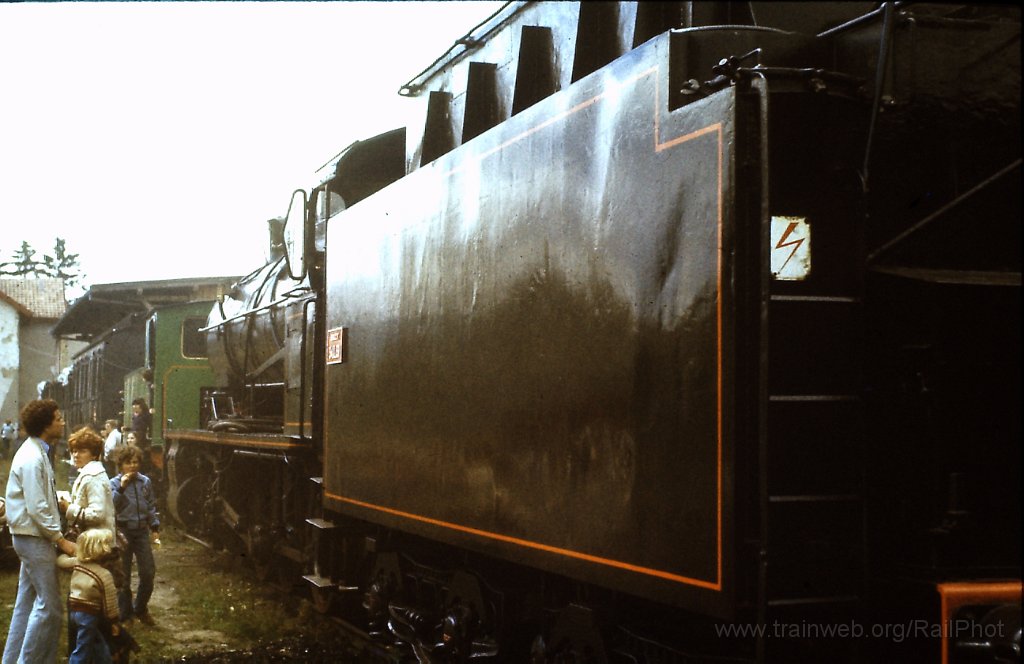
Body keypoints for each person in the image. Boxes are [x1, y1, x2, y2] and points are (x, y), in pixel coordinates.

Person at [3, 399, 77, 664]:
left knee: (25, 604)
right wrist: (61, 540)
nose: (62, 422)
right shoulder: (33, 457)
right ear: (46, 424)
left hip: (27, 537)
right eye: (58, 418)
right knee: (51, 609)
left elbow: (38, 500)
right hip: (34, 539)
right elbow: (37, 508)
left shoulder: (35, 451)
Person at [57, 528, 123, 664]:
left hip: (74, 611)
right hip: (89, 615)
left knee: (94, 641)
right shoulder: (104, 574)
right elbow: (110, 602)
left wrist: (61, 552)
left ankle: (104, 660)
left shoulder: (77, 563)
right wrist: (114, 621)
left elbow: (61, 562)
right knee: (83, 648)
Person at [110, 445, 160, 626]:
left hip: (140, 532)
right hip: (123, 531)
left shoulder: (144, 482)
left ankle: (140, 608)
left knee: (148, 572)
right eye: (128, 463)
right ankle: (126, 614)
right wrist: (121, 488)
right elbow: (111, 506)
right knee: (123, 575)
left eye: (136, 462)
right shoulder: (114, 483)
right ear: (121, 464)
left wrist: (154, 527)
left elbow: (150, 505)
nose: (132, 466)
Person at [63, 426, 118, 537]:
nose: (76, 455)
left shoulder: (94, 477)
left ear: (94, 455)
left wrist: (69, 508)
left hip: (97, 542)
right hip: (92, 540)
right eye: (74, 451)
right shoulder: (88, 473)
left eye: (82, 451)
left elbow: (97, 514)